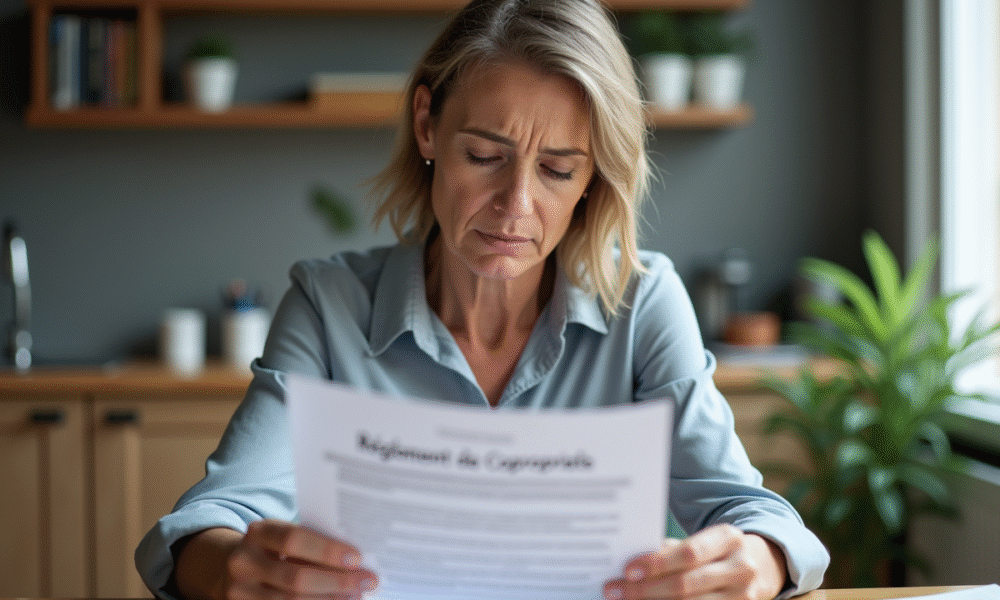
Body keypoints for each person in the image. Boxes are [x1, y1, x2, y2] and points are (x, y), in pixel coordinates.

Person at [136, 0, 830, 598]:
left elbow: (755, 515)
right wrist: (233, 569)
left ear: (594, 178)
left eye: (559, 169)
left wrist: (759, 562)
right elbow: (208, 521)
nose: (516, 206)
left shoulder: (643, 302)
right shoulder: (328, 305)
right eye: (485, 156)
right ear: (427, 125)